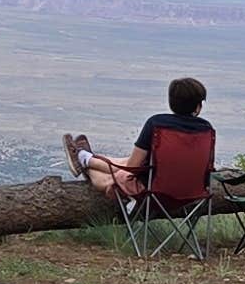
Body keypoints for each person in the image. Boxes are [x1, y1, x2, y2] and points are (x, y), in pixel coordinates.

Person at [68, 78, 222, 208]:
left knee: (112, 179)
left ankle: (85, 162)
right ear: (198, 107)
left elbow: (131, 167)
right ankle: (87, 157)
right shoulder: (206, 129)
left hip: (154, 192)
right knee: (132, 163)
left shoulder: (157, 123)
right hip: (193, 193)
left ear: (171, 103)